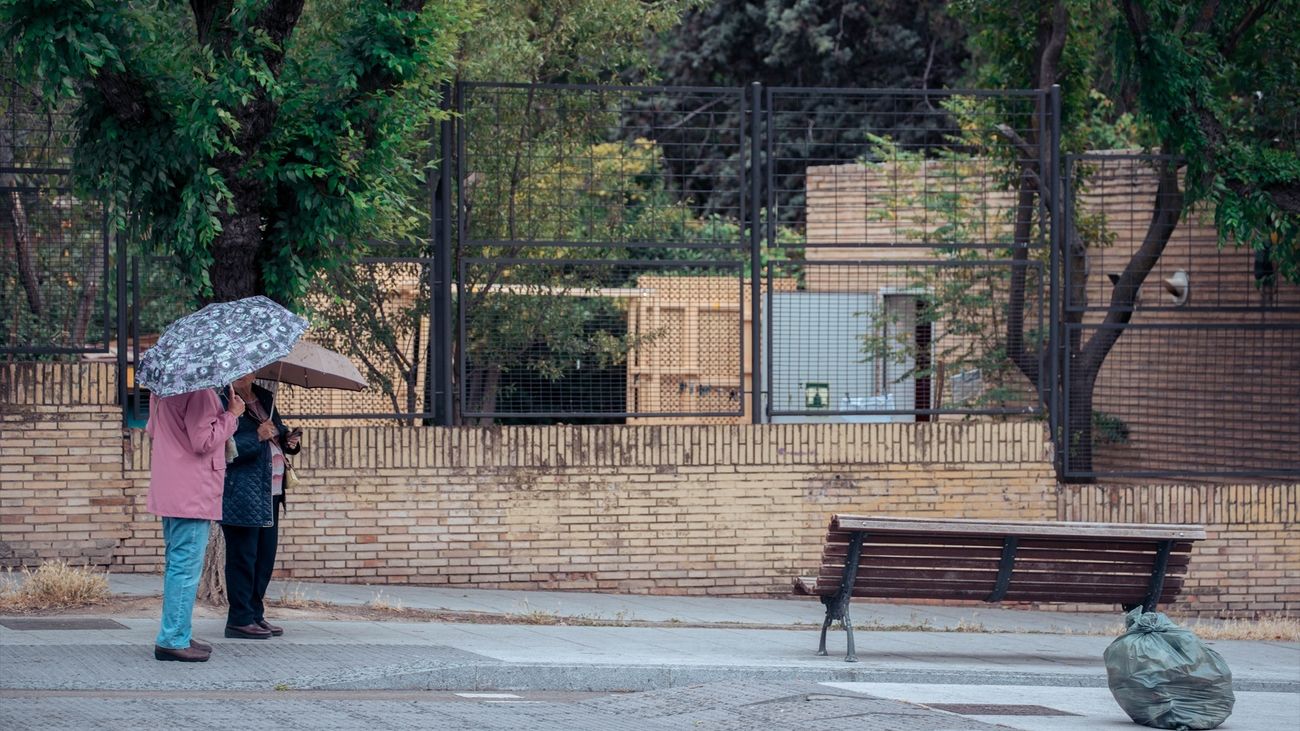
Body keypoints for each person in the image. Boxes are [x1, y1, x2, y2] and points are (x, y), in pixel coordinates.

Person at [146, 385, 245, 662]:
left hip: (171, 487)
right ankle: (173, 639)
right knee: (185, 568)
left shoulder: (162, 391)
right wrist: (232, 415)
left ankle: (178, 632)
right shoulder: (200, 393)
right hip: (192, 491)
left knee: (177, 565)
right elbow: (203, 440)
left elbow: (153, 430)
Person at [220, 374, 301, 640]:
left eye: (251, 369)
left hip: (271, 491)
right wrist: (256, 436)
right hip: (242, 492)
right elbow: (221, 449)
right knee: (244, 557)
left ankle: (255, 613)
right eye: (242, 369)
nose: (248, 374)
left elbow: (275, 432)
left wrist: (288, 440)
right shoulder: (223, 400)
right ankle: (239, 619)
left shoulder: (264, 397)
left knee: (264, 557)